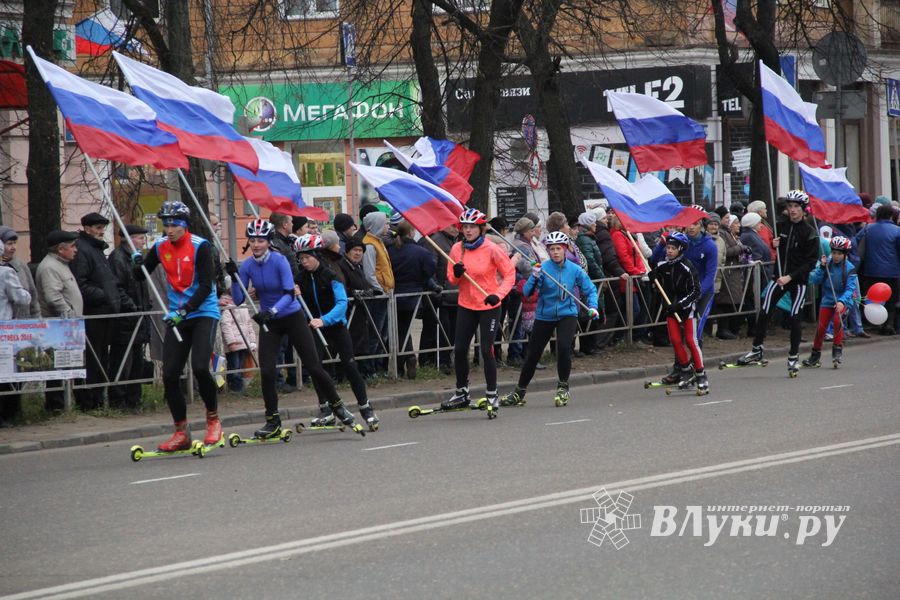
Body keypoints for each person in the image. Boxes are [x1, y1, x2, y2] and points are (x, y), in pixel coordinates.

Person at [227, 220, 362, 438]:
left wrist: (271, 311)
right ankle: (272, 420)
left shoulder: (279, 260)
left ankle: (337, 405)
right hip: (271, 322)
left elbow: (290, 293)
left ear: (269, 241)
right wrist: (234, 277)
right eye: (252, 240)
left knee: (314, 366)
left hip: (291, 316)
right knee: (268, 371)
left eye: (261, 240)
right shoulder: (250, 265)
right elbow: (238, 297)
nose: (256, 245)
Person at [136, 201, 222, 451]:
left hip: (203, 312)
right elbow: (141, 275)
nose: (170, 229)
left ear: (185, 225)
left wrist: (185, 310)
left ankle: (213, 420)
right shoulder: (160, 246)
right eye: (166, 224)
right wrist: (136, 262)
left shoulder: (201, 247)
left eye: (174, 224)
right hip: (178, 316)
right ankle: (181, 431)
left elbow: (207, 285)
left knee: (200, 367)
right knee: (170, 373)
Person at [500, 231, 599, 409]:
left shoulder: (574, 269)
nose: (555, 252)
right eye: (552, 249)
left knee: (563, 347)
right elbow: (527, 292)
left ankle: (563, 387)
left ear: (565, 249)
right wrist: (535, 276)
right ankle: (519, 392)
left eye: (558, 249)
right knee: (533, 354)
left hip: (567, 313)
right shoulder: (543, 268)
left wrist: (592, 306)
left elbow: (590, 289)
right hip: (544, 315)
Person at [295, 234, 378, 429]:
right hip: (314, 326)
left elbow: (342, 304)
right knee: (316, 368)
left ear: (317, 255)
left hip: (335, 325)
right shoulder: (300, 278)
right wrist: (293, 295)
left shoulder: (332, 275)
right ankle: (325, 408)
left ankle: (365, 406)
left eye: (307, 257)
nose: (304, 262)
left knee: (349, 365)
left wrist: (324, 320)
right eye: (301, 258)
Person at [737, 190, 819, 374]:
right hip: (778, 277)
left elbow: (810, 262)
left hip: (797, 280)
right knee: (765, 311)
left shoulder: (809, 232)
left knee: (795, 316)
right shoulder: (780, 226)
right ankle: (757, 349)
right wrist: (775, 246)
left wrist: (790, 277)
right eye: (790, 206)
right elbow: (777, 251)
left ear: (804, 209)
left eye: (796, 207)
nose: (792, 210)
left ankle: (793, 356)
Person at [442, 208, 515, 413]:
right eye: (465, 226)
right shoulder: (457, 249)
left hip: (489, 305)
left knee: (486, 349)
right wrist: (456, 274)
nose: (468, 230)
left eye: (472, 226)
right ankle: (462, 391)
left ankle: (492, 394)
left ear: (481, 228)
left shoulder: (492, 249)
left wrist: (498, 295)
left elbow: (509, 274)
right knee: (459, 349)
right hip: (466, 304)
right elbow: (452, 279)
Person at [71, 212, 125, 410]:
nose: (102, 232)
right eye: (98, 228)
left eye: (103, 228)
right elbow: (81, 283)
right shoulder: (83, 250)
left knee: (101, 357)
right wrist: (105, 296)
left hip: (103, 312)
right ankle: (89, 400)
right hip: (92, 313)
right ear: (87, 229)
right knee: (93, 358)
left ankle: (98, 397)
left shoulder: (96, 249)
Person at [648, 232, 708, 391]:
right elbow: (657, 283)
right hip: (670, 309)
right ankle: (687, 370)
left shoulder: (687, 266)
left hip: (686, 309)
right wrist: (653, 279)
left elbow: (696, 291)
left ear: (681, 249)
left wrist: (680, 305)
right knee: (674, 340)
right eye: (668, 247)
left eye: (673, 248)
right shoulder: (663, 265)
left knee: (690, 340)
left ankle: (701, 374)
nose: (669, 251)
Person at [34, 231, 83, 414]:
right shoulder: (50, 267)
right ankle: (55, 405)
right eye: (72, 246)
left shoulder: (61, 264)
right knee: (56, 366)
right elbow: (53, 296)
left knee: (65, 364)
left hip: (67, 325)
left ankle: (64, 402)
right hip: (58, 326)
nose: (75, 250)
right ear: (61, 249)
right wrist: (69, 314)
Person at [651, 211, 717, 343]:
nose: (691, 227)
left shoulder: (709, 246)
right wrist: (661, 244)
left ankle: (696, 361)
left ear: (701, 226)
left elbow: (711, 274)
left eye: (695, 224)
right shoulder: (680, 242)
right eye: (689, 224)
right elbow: (655, 259)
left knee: (696, 330)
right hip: (683, 292)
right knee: (679, 330)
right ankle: (681, 362)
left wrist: (697, 294)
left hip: (703, 292)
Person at [107, 224, 151, 409]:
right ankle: (118, 399)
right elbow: (118, 287)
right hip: (126, 319)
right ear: (129, 238)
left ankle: (134, 399)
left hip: (138, 317)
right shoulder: (118, 258)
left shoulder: (136, 258)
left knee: (137, 361)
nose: (143, 242)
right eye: (140, 238)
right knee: (122, 360)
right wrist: (132, 307)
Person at [387, 221, 437, 379]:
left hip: (393, 295)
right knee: (403, 329)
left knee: (400, 330)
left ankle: (404, 361)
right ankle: (408, 358)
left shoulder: (390, 250)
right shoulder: (421, 252)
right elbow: (429, 270)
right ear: (411, 233)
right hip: (414, 296)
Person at [802, 236, 858, 368]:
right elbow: (815, 280)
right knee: (821, 327)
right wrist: (821, 268)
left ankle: (837, 351)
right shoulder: (826, 263)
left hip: (843, 300)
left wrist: (842, 302)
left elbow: (850, 288)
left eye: (839, 254)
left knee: (838, 322)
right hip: (827, 299)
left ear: (845, 254)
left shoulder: (850, 268)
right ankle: (815, 356)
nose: (836, 256)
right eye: (833, 253)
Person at [0, 237, 32, 426]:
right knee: (6, 373)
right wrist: (26, 293)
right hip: (5, 328)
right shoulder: (5, 273)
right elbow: (21, 298)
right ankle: (7, 414)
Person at [418, 224, 459, 373]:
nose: (456, 229)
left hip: (456, 294)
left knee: (453, 331)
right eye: (453, 225)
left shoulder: (456, 242)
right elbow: (431, 269)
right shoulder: (435, 241)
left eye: (458, 226)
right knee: (441, 330)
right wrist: (436, 289)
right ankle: (437, 361)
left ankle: (448, 359)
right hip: (442, 294)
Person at [856, 203, 900, 335]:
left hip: (871, 270)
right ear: (891, 215)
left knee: (873, 298)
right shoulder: (897, 231)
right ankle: (889, 324)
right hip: (892, 271)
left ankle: (875, 322)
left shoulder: (868, 228)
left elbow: (856, 243)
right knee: (891, 299)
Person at [361, 211, 395, 376]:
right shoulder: (369, 245)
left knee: (383, 333)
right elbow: (369, 273)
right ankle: (371, 368)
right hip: (378, 295)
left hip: (385, 293)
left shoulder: (378, 242)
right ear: (377, 225)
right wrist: (380, 290)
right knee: (376, 333)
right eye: (385, 223)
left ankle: (379, 367)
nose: (388, 226)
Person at [339, 238, 373, 366]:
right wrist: (354, 293)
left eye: (360, 250)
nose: (358, 253)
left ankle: (364, 369)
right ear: (347, 251)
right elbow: (343, 286)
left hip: (359, 310)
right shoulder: (343, 265)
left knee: (361, 341)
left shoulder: (357, 266)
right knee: (351, 342)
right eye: (355, 250)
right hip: (349, 311)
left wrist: (370, 291)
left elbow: (363, 284)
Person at [0, 226, 40, 319]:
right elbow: (22, 298)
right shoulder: (4, 271)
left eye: (15, 243)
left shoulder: (20, 265)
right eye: (9, 244)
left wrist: (36, 318)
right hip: (6, 322)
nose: (13, 247)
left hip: (23, 323)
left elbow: (33, 293)